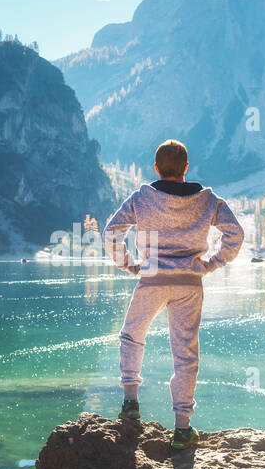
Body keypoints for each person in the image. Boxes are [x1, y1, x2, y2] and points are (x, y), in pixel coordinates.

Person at [103, 139, 244, 449]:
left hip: (151, 278)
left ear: (156, 168)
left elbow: (111, 233)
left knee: (131, 335)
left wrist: (130, 265)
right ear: (186, 168)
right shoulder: (208, 200)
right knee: (185, 352)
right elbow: (236, 234)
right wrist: (211, 264)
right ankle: (182, 429)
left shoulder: (142, 198)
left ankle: (130, 403)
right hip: (189, 284)